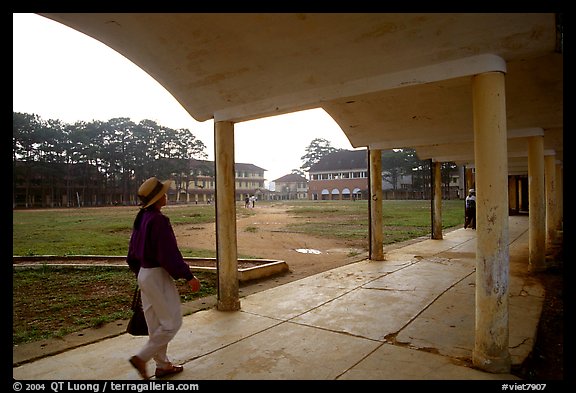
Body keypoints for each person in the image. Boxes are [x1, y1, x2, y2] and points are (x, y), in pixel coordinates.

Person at [126, 177, 201, 379]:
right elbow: (169, 254)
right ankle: (142, 357)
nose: (166, 195)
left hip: (144, 273)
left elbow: (131, 254)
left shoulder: (141, 218)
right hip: (157, 274)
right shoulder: (158, 220)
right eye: (163, 193)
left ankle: (162, 365)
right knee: (171, 323)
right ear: (159, 198)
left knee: (155, 323)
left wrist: (142, 275)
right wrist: (188, 276)